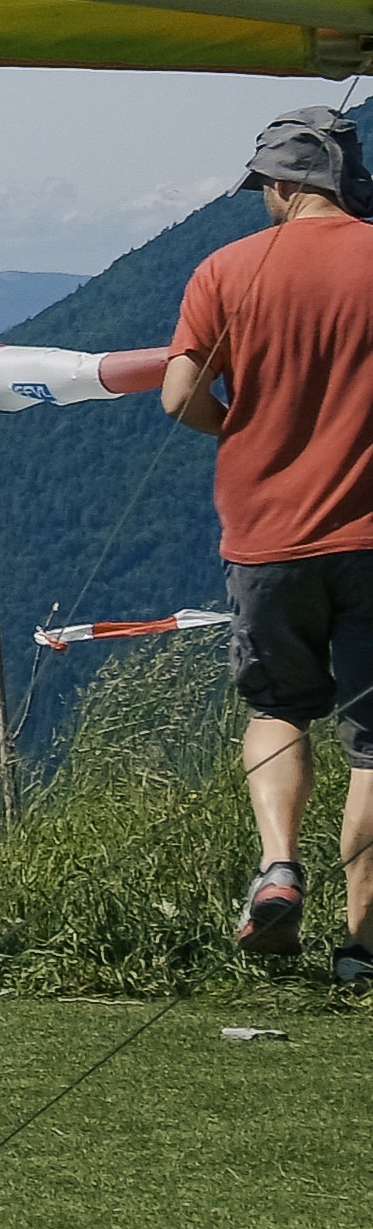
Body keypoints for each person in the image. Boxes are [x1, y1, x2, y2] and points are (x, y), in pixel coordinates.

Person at [160, 109, 373, 976]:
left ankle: (279, 866)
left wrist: (243, 426)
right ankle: (363, 945)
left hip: (266, 538)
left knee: (277, 710)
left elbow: (177, 397)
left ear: (283, 186)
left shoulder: (226, 270)